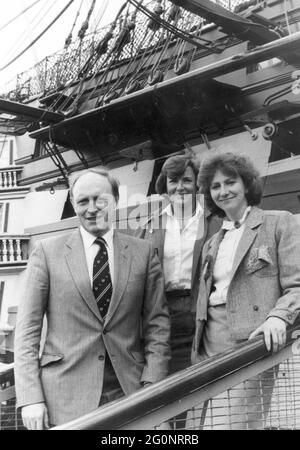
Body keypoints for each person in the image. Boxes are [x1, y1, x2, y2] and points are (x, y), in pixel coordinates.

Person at [14, 168, 170, 429]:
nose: (92, 208)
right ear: (74, 204)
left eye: (100, 199)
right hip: (64, 396)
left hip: (129, 390)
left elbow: (158, 325)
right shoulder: (46, 253)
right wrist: (30, 398)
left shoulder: (143, 253)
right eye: (83, 201)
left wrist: (152, 383)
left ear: (115, 200)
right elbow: (27, 331)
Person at [192, 151, 300, 429]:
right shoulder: (212, 243)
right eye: (215, 186)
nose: (223, 191)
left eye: (230, 182)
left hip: (250, 341)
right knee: (209, 424)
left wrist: (279, 316)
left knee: (235, 425)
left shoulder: (279, 222)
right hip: (209, 346)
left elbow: (297, 284)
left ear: (247, 184)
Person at [135, 154, 221, 427]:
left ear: (197, 185)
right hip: (162, 314)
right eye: (173, 181)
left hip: (199, 312)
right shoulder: (152, 225)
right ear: (165, 185)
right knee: (164, 385)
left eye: (187, 180)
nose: (180, 187)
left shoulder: (212, 221)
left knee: (197, 385)